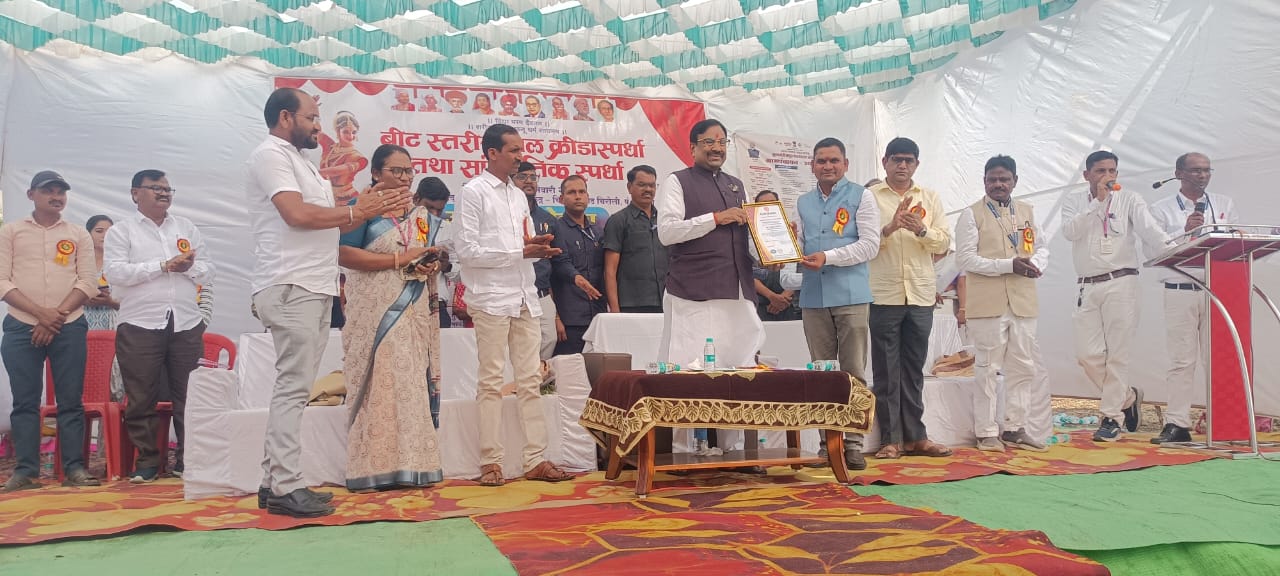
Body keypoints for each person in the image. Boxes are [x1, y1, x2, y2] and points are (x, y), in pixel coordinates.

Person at [248, 87, 412, 516]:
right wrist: (359, 212)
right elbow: (298, 216)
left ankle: (272, 481)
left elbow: (327, 223)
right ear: (285, 117)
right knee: (293, 388)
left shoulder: (302, 162)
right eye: (311, 118)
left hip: (314, 285)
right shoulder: (271, 155)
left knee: (296, 387)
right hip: (291, 284)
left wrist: (363, 207)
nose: (319, 127)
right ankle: (285, 486)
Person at [453, 123, 572, 487]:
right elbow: (466, 251)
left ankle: (535, 459)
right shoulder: (473, 192)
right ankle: (491, 461)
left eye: (522, 149)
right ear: (492, 153)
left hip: (524, 295)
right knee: (491, 380)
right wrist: (520, 251)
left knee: (530, 380)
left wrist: (538, 247)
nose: (522, 156)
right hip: (490, 297)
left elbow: (523, 243)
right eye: (514, 150)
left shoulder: (519, 196)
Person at [338, 144, 446, 491]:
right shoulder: (363, 207)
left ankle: (414, 463)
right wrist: (400, 260)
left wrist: (427, 263)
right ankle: (373, 466)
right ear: (375, 173)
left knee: (410, 382)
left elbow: (422, 255)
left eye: (408, 171)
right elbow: (344, 254)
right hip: (375, 313)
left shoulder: (418, 214)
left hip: (413, 310)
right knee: (383, 381)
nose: (403, 177)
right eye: (395, 171)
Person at [656, 118, 763, 464]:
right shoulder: (677, 181)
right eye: (708, 142)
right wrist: (715, 218)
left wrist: (772, 248)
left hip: (735, 289)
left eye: (722, 142)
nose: (717, 148)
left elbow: (746, 237)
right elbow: (667, 232)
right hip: (693, 290)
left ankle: (735, 449)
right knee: (689, 370)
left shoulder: (736, 185)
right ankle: (684, 452)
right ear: (693, 147)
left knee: (737, 368)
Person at [104, 169, 213, 482]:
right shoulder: (122, 232)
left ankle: (188, 460)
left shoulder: (186, 227)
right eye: (155, 188)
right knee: (142, 396)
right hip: (140, 322)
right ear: (135, 193)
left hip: (186, 322)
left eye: (167, 189)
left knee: (190, 395)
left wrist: (188, 268)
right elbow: (115, 273)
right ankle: (148, 461)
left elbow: (208, 270)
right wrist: (162, 266)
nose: (164, 193)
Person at [782, 139, 880, 469]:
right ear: (812, 165)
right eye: (821, 161)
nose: (828, 166)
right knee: (821, 374)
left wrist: (829, 256)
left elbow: (870, 245)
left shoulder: (862, 196)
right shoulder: (802, 202)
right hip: (813, 298)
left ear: (845, 164)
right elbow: (798, 244)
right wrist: (784, 243)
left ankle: (853, 444)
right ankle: (828, 445)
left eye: (834, 160)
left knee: (853, 374)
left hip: (851, 296)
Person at [1, 171, 101, 491]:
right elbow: (2, 281)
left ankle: (74, 469)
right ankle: (26, 472)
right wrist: (40, 315)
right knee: (25, 401)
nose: (56, 197)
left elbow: (88, 282)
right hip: (20, 326)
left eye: (61, 192)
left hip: (68, 325)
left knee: (70, 400)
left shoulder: (77, 234)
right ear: (31, 195)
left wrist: (54, 317)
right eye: (49, 191)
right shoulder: (10, 232)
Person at [1062, 150, 1170, 442]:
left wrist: (1176, 250)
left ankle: (1111, 417)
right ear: (1087, 175)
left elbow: (1151, 232)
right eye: (1100, 171)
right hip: (1087, 285)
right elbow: (1070, 232)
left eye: (1112, 171)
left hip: (1122, 282)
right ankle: (1127, 397)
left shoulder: (1130, 199)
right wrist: (1096, 202)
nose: (1107, 177)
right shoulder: (1074, 201)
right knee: (1087, 355)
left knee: (1117, 354)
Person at [953, 155, 1049, 452]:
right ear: (984, 182)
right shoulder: (971, 214)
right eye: (992, 179)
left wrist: (1037, 264)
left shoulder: (1027, 211)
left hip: (1022, 301)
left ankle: (1015, 427)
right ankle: (986, 432)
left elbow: (1043, 247)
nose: (998, 184)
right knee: (987, 368)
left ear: (1014, 181)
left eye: (1004, 179)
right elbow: (965, 259)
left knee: (1023, 366)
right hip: (988, 305)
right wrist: (1009, 265)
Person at [867, 137, 953, 459]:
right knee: (886, 371)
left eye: (908, 160)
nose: (902, 165)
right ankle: (891, 439)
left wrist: (921, 230)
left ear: (917, 164)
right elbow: (863, 245)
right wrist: (889, 228)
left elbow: (944, 243)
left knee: (915, 368)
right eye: (896, 159)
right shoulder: (869, 198)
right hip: (884, 293)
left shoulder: (929, 197)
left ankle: (917, 437)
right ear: (885, 162)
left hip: (920, 294)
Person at [1148, 152, 1237, 443]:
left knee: (1219, 359)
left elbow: (1235, 244)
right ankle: (1177, 424)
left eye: (1207, 170)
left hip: (1217, 291)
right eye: (1196, 170)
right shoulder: (1160, 210)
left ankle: (1225, 421)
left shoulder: (1223, 204)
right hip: (1180, 291)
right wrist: (1184, 232)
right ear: (1179, 174)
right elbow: (1154, 252)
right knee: (1181, 361)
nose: (1202, 175)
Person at [550, 175, 605, 355]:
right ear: (561, 199)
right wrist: (556, 317)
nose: (578, 196)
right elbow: (551, 273)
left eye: (582, 192)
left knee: (598, 369)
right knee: (569, 369)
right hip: (569, 320)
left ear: (588, 197)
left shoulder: (598, 231)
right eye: (572, 192)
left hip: (598, 317)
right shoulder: (555, 230)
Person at [603, 165, 667, 314]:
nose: (648, 189)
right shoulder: (618, 221)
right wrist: (615, 310)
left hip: (666, 301)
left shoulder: (665, 220)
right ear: (629, 187)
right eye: (642, 185)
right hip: (632, 304)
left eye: (652, 185)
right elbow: (609, 270)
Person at [515, 162, 560, 359]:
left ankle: (537, 376)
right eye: (522, 177)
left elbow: (558, 260)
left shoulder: (548, 219)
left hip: (541, 293)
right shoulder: (507, 215)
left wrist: (575, 276)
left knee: (549, 339)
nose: (529, 181)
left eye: (533, 177)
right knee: (521, 345)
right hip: (515, 292)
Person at [752, 191, 802, 322]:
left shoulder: (791, 231)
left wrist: (784, 297)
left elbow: (798, 268)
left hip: (789, 302)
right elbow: (746, 273)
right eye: (762, 205)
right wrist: (771, 297)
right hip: (760, 303)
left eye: (772, 204)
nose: (767, 208)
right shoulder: (747, 236)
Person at [415, 176, 458, 329]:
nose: (433, 214)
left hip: (436, 302)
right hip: (405, 302)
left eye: (439, 210)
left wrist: (447, 266)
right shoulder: (400, 227)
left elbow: (461, 274)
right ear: (416, 199)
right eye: (429, 208)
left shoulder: (448, 229)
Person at [318, 110, 368, 205]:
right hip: (325, 197)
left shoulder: (359, 159)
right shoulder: (330, 146)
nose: (351, 136)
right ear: (338, 131)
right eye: (346, 132)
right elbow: (314, 132)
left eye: (354, 132)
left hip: (348, 201)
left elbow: (335, 171)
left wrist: (310, 173)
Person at [83, 215, 120, 331]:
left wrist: (110, 302)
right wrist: (82, 299)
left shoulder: (121, 262)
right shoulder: (78, 261)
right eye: (99, 231)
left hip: (113, 322)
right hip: (81, 320)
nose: (105, 235)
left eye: (110, 231)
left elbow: (133, 301)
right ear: (88, 234)